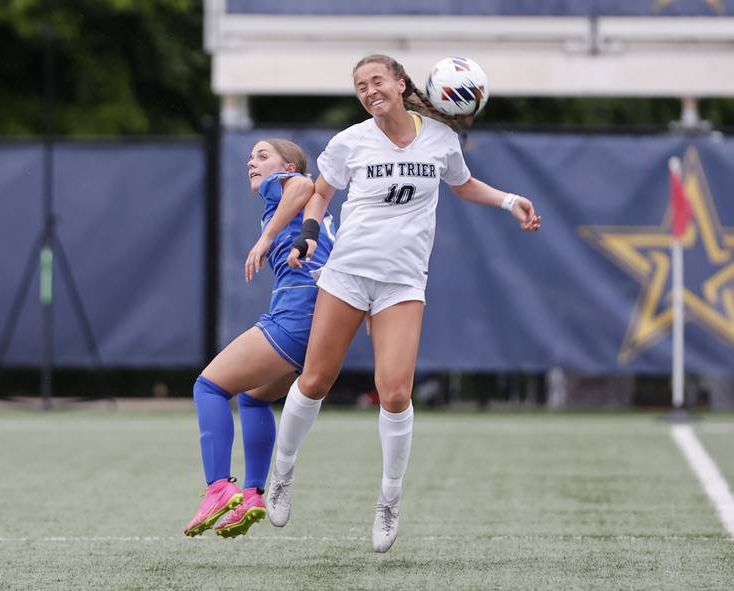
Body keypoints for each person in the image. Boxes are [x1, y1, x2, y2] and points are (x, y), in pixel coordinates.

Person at [265, 54, 541, 553]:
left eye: (377, 81)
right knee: (314, 381)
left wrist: (508, 200)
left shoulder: (440, 139)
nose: (369, 90)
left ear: (400, 83)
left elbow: (462, 185)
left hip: (402, 283)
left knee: (394, 393)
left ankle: (389, 497)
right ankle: (282, 472)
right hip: (347, 275)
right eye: (359, 85)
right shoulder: (349, 141)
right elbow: (320, 194)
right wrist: (307, 236)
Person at [183, 138, 335, 539]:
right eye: (250, 157)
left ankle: (218, 486)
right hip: (322, 321)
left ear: (286, 165)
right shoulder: (310, 214)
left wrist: (266, 238)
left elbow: (305, 183)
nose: (252, 162)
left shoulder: (286, 185)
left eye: (262, 156)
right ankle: (252, 493)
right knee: (253, 398)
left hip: (296, 315)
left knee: (209, 387)